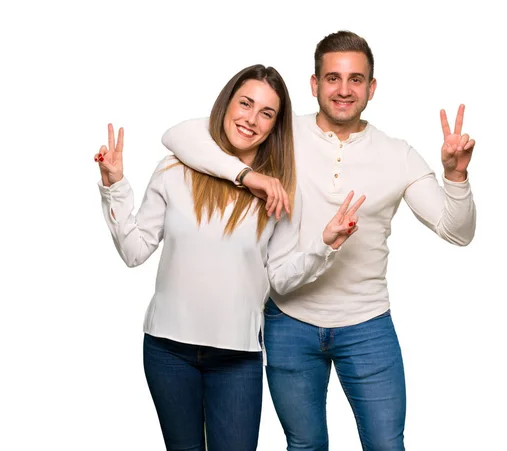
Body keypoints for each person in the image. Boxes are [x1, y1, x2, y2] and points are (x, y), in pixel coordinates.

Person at [161, 31, 476, 451]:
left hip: (367, 325)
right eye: (332, 78)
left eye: (356, 79)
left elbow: (457, 230)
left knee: (386, 444)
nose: (343, 90)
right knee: (305, 445)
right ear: (314, 85)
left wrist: (455, 178)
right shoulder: (280, 134)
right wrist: (248, 174)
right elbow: (181, 135)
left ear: (372, 88)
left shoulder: (397, 154)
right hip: (289, 322)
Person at [95, 64, 366, 451]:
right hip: (168, 350)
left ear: (275, 126)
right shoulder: (174, 170)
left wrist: (326, 243)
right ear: (227, 104)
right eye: (245, 104)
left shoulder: (279, 193)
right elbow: (134, 251)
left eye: (266, 114)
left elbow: (281, 279)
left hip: (238, 357)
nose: (251, 120)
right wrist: (115, 187)